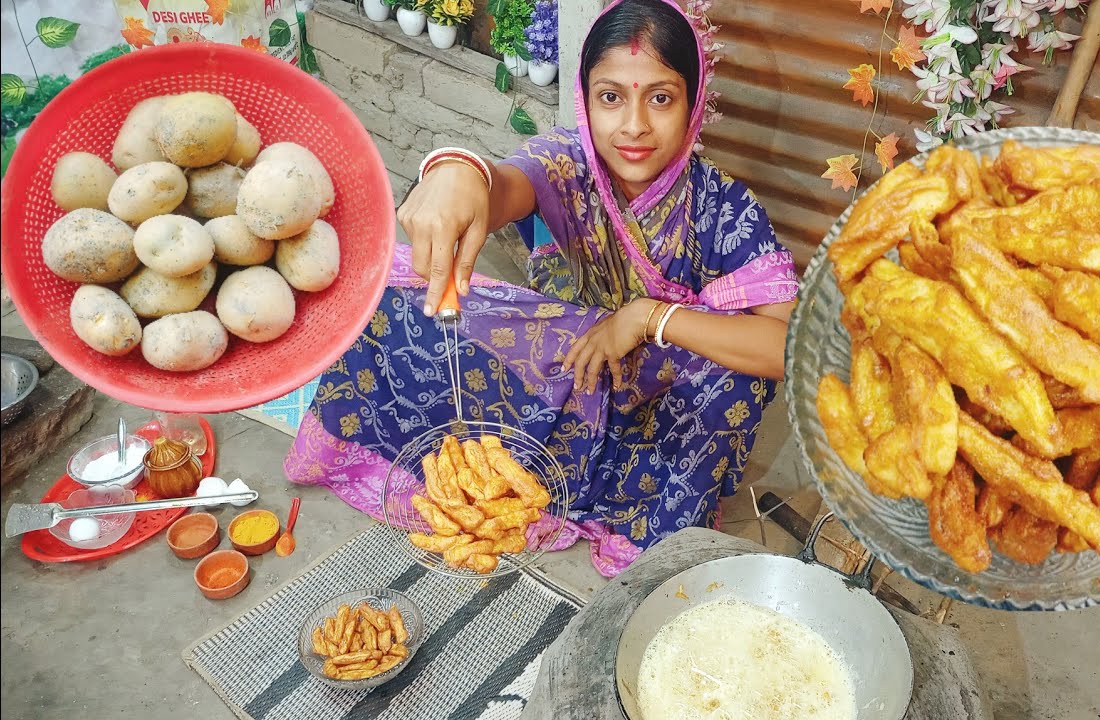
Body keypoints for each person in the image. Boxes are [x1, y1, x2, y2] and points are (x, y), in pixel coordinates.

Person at [284, 0, 798, 576]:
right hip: (573, 363)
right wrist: (457, 170)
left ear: (693, 103)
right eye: (611, 97)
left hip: (662, 404)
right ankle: (479, 468)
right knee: (392, 287)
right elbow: (504, 185)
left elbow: (788, 347)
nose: (633, 125)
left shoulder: (724, 207)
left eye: (660, 98)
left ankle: (632, 504)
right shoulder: (568, 162)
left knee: (735, 380)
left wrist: (646, 317)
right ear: (585, 99)